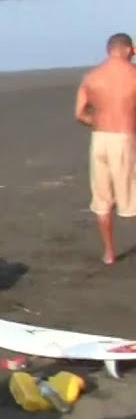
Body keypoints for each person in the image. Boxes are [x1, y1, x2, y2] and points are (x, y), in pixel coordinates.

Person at [74, 32, 136, 265]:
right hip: (124, 138)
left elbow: (79, 114)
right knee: (132, 193)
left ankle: (109, 253)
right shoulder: (133, 74)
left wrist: (100, 122)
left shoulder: (91, 77)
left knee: (102, 200)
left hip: (99, 140)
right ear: (129, 50)